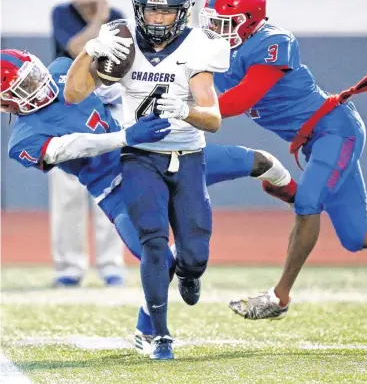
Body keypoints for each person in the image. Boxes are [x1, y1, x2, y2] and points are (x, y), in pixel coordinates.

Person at [1, 48, 297, 357]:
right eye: (25, 85)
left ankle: (297, 199)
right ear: (5, 102)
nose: (39, 83)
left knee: (262, 161)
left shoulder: (64, 69)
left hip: (154, 156)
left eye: (34, 74)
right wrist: (125, 136)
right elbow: (76, 145)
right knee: (158, 259)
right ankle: (149, 323)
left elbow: (111, 91)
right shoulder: (24, 139)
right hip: (115, 189)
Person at [199, 0, 367, 321]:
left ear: (249, 19)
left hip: (334, 129)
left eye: (223, 23)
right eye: (211, 22)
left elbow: (241, 99)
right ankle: (295, 194)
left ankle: (278, 297)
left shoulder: (273, 40)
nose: (215, 30)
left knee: (308, 202)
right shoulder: (217, 52)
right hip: (311, 143)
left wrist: (183, 108)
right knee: (356, 237)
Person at [50, 0, 126, 287]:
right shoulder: (61, 13)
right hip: (66, 110)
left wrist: (106, 15)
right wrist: (99, 16)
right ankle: (69, 267)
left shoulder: (119, 16)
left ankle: (111, 265)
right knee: (66, 193)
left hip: (108, 110)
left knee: (110, 185)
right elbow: (76, 47)